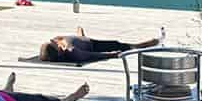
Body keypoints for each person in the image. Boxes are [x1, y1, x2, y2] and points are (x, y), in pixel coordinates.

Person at [26, 33, 159, 64]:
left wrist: (60, 41)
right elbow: (90, 56)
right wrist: (111, 55)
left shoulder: (61, 44)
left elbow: (55, 40)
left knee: (62, 37)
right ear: (59, 50)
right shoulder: (72, 51)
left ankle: (80, 35)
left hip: (80, 41)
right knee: (119, 44)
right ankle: (145, 44)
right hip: (92, 45)